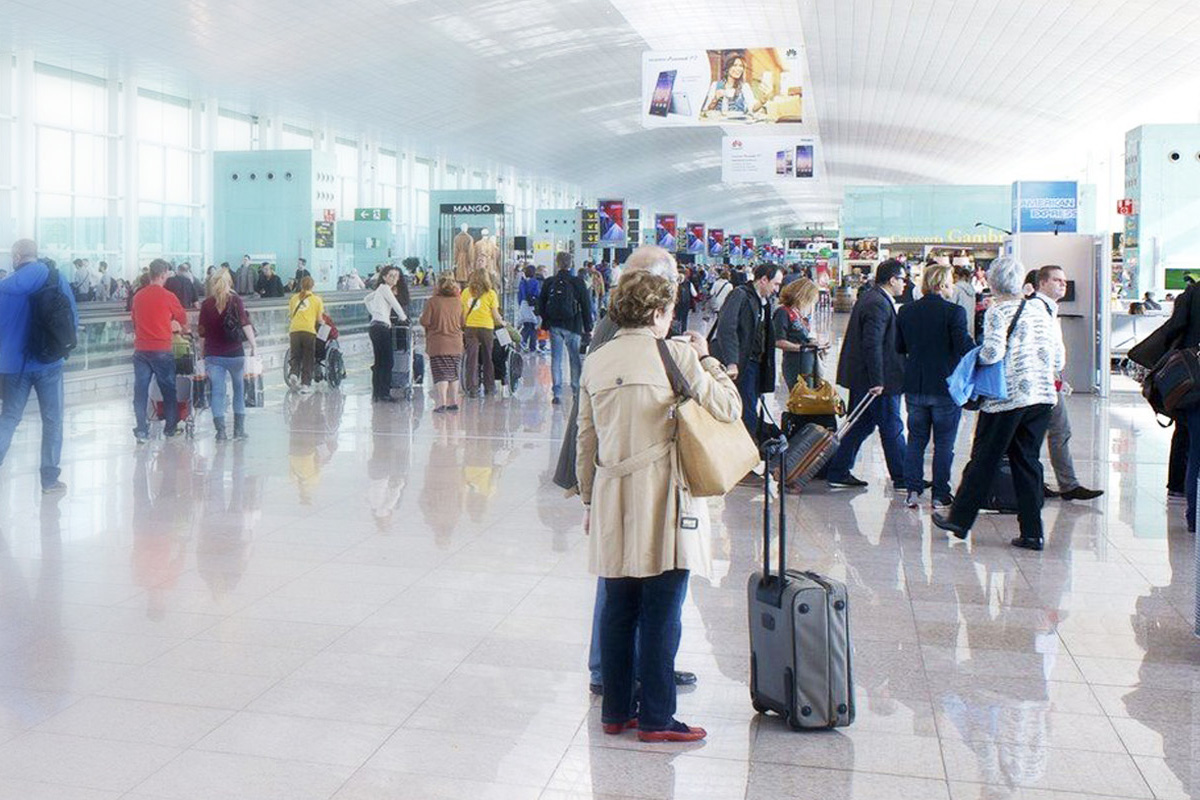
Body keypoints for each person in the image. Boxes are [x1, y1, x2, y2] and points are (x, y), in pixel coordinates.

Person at [576, 268, 741, 743]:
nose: (671, 319)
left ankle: (616, 711)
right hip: (663, 494)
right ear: (656, 312)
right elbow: (729, 408)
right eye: (668, 310)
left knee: (618, 606)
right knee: (662, 609)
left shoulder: (597, 360)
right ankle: (656, 717)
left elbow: (586, 441)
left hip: (612, 493)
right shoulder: (678, 355)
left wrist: (590, 498)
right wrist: (708, 360)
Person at [932, 257, 1064, 550]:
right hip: (1041, 397)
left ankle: (959, 520)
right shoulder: (1042, 310)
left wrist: (971, 361)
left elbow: (992, 353)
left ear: (992, 283)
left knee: (984, 458)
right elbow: (1059, 358)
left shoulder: (998, 311)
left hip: (1007, 400)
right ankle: (1033, 532)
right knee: (1027, 461)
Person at [0, 239, 78, 493]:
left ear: (16, 257)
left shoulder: (4, 287)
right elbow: (71, 316)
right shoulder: (56, 278)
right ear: (36, 254)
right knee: (53, 420)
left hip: (13, 365)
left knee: (9, 418)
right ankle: (49, 480)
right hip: (49, 362)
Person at [824, 259, 908, 489]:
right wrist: (878, 380)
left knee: (860, 425)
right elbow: (872, 343)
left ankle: (838, 471)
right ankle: (903, 478)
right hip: (876, 379)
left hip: (866, 377)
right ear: (892, 279)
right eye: (902, 279)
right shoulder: (877, 303)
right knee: (892, 425)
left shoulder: (873, 298)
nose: (904, 284)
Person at [896, 265, 973, 509]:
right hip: (945, 386)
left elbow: (900, 346)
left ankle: (912, 491)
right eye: (950, 281)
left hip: (915, 385)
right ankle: (940, 494)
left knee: (916, 440)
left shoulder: (906, 311)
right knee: (944, 443)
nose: (952, 286)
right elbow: (964, 347)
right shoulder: (954, 312)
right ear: (941, 284)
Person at [1028, 266, 1104, 502]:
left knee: (1058, 431)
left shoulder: (1050, 308)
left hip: (1050, 379)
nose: (1063, 284)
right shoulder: (1035, 309)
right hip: (1040, 382)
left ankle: (1066, 484)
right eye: (1057, 280)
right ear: (1042, 283)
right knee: (1047, 433)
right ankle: (1051, 484)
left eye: (1064, 280)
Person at [710, 264, 782, 440]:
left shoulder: (762, 302)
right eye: (775, 284)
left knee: (750, 406)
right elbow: (727, 328)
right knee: (746, 410)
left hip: (755, 363)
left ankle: (748, 447)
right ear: (763, 279)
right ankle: (745, 450)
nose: (777, 289)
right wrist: (732, 362)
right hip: (743, 363)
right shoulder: (740, 295)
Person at [131, 259, 189, 442]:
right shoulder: (168, 296)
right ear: (163, 274)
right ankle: (170, 428)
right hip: (162, 349)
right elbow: (183, 317)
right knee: (168, 390)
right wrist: (173, 323)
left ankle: (141, 429)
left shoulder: (138, 296)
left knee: (140, 390)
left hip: (140, 350)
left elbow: (134, 321)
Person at [198, 269, 256, 441]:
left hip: (213, 355)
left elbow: (202, 332)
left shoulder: (207, 304)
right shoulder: (236, 300)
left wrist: (202, 353)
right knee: (239, 389)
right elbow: (245, 324)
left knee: (217, 392)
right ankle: (239, 430)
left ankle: (221, 432)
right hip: (235, 354)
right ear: (229, 282)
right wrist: (254, 345)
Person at [537, 252, 593, 405]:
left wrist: (546, 321)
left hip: (555, 326)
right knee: (574, 358)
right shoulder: (578, 282)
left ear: (557, 263)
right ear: (571, 264)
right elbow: (586, 306)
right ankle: (576, 391)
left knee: (556, 359)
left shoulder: (550, 282)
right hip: (574, 326)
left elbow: (541, 305)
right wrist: (588, 327)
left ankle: (557, 393)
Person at [421, 273, 466, 413]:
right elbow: (463, 322)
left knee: (441, 374)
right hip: (456, 343)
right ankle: (454, 402)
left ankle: (442, 403)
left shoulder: (433, 302)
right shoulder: (458, 302)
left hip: (438, 343)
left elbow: (425, 321)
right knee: (453, 373)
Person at [365, 265, 408, 403]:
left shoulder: (379, 290)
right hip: (382, 328)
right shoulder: (385, 289)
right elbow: (396, 304)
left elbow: (366, 299)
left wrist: (375, 313)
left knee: (379, 361)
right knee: (388, 361)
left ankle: (377, 392)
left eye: (396, 276)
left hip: (375, 327)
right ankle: (384, 393)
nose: (395, 278)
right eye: (391, 276)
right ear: (384, 277)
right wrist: (403, 318)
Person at [461, 268, 504, 398]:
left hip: (470, 327)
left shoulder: (465, 292)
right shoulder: (491, 293)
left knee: (472, 358)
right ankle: (489, 387)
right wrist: (502, 323)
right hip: (486, 328)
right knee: (487, 358)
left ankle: (472, 388)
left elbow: (462, 312)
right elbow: (495, 315)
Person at [773, 277, 821, 391]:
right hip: (795, 362)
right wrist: (801, 348)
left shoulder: (798, 313)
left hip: (807, 361)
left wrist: (812, 343)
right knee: (801, 396)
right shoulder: (783, 312)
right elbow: (778, 341)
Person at [287, 276, 323, 393]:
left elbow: (291, 315)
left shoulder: (294, 298)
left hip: (294, 330)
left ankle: (293, 373)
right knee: (308, 357)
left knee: (295, 354)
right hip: (308, 331)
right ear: (312, 286)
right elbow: (319, 319)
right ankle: (305, 384)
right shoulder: (317, 300)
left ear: (301, 285)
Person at [701, 52, 761, 117]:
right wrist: (715, 99)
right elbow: (706, 111)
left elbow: (752, 109)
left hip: (737, 124)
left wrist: (762, 101)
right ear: (727, 68)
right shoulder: (715, 85)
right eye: (735, 65)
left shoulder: (744, 87)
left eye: (741, 66)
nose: (738, 69)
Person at [516, 265, 542, 351]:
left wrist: (521, 304)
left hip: (524, 305)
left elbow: (519, 295)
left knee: (526, 326)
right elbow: (537, 294)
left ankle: (522, 342)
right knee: (533, 327)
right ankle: (532, 346)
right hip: (532, 306)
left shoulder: (522, 282)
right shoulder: (535, 282)